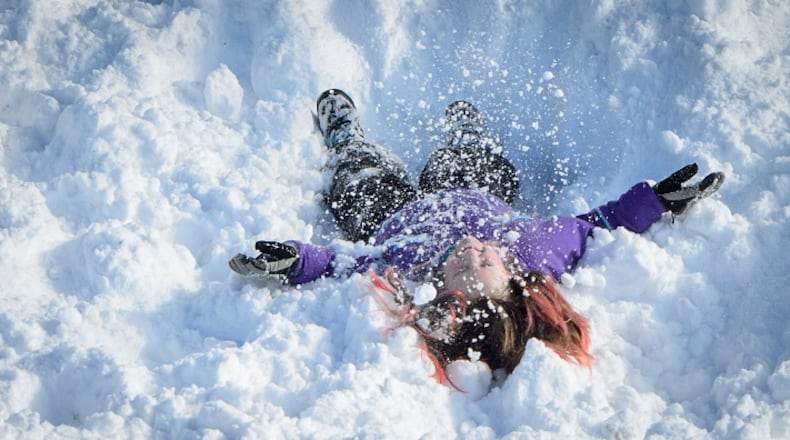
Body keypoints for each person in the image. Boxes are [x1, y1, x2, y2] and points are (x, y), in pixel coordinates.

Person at [229, 89, 724, 385]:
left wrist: (294, 261)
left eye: (462, 270)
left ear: (439, 288)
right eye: (483, 263)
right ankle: (468, 132)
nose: (471, 253)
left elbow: (341, 265)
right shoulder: (534, 250)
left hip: (393, 216)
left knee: (359, 180)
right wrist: (656, 201)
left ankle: (348, 139)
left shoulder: (407, 271)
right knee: (475, 164)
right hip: (470, 191)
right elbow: (599, 224)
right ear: (510, 273)